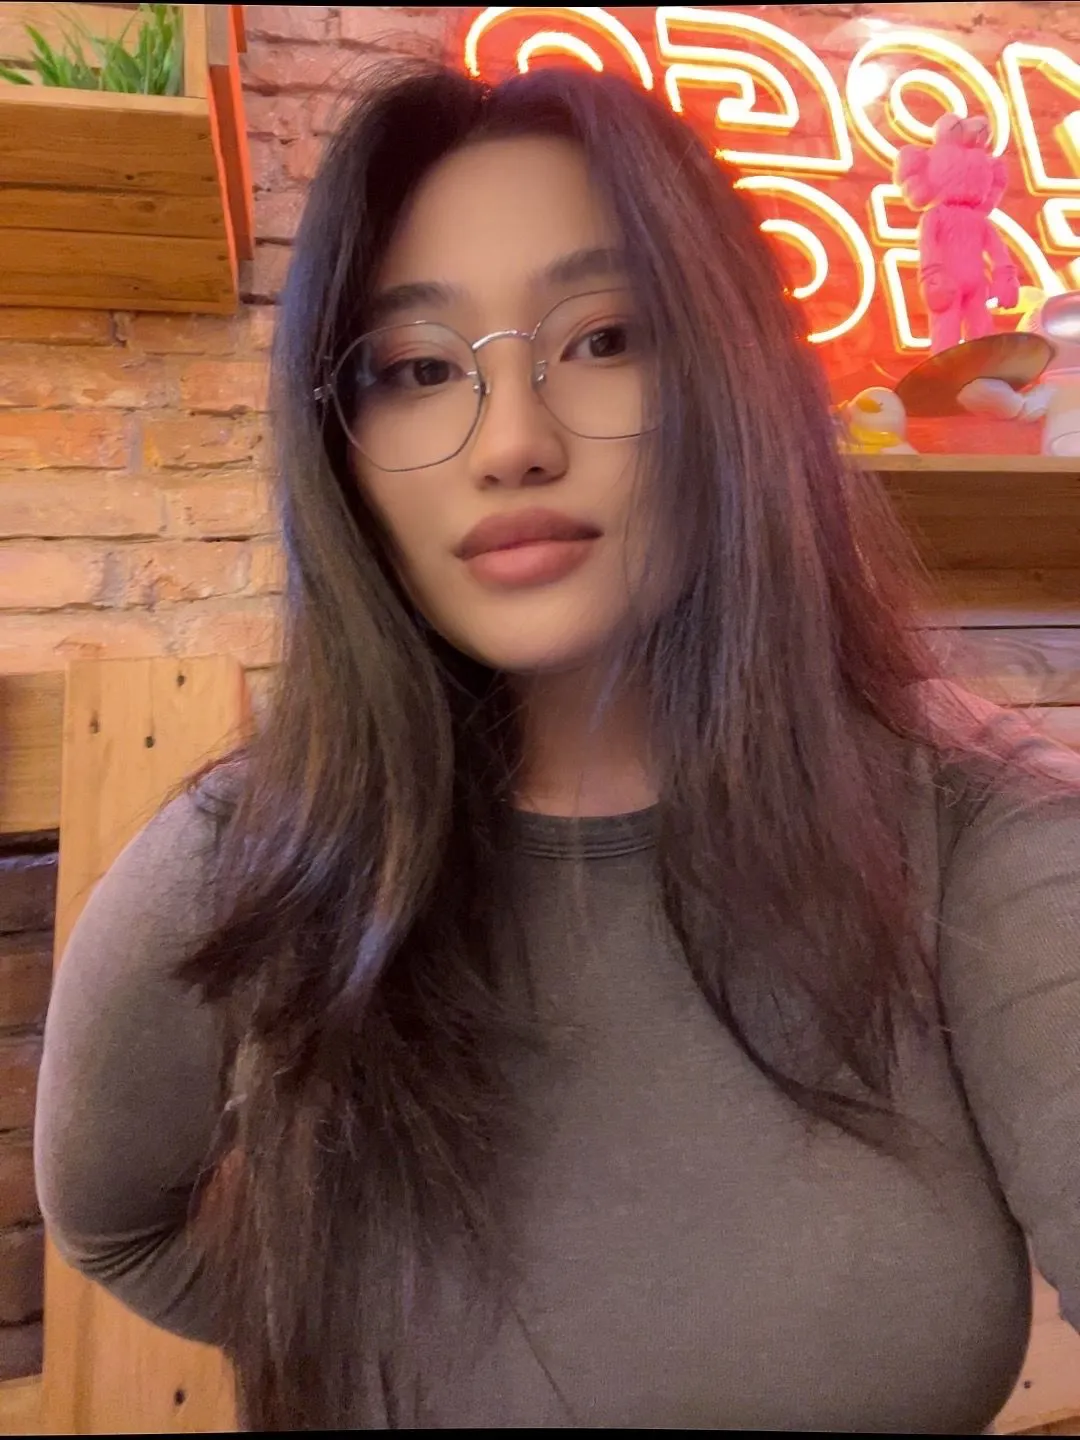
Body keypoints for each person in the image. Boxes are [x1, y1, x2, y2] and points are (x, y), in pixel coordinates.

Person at [34, 60, 1080, 1433]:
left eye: (606, 339)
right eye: (417, 369)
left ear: (737, 380)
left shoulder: (989, 844)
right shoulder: (247, 860)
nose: (512, 443)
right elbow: (113, 1222)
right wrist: (362, 1320)